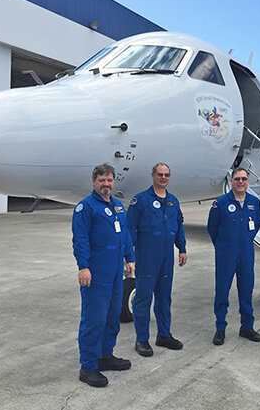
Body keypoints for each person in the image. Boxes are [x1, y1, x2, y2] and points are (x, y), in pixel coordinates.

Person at [72, 163, 135, 387]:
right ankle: (88, 366)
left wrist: (130, 258)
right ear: (94, 182)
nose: (106, 184)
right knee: (94, 320)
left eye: (109, 180)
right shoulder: (85, 208)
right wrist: (83, 266)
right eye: (102, 180)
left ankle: (105, 356)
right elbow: (80, 239)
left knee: (111, 317)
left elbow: (125, 235)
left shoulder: (118, 206)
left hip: (116, 272)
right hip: (96, 273)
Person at [127, 163, 187, 357]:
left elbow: (178, 226)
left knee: (164, 298)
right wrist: (129, 257)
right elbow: (130, 230)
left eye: (166, 175)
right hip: (146, 257)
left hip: (166, 258)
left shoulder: (173, 201)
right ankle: (141, 339)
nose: (163, 178)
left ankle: (164, 335)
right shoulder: (141, 200)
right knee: (143, 299)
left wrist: (182, 248)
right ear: (152, 175)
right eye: (160, 174)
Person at [207, 168, 260, 345]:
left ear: (248, 182)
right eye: (237, 179)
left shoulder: (254, 202)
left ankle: (247, 326)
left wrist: (245, 239)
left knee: (246, 290)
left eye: (244, 179)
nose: (241, 182)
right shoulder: (221, 203)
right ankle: (220, 328)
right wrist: (224, 244)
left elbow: (258, 222)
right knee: (222, 291)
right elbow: (212, 228)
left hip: (246, 252)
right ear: (231, 181)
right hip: (226, 253)